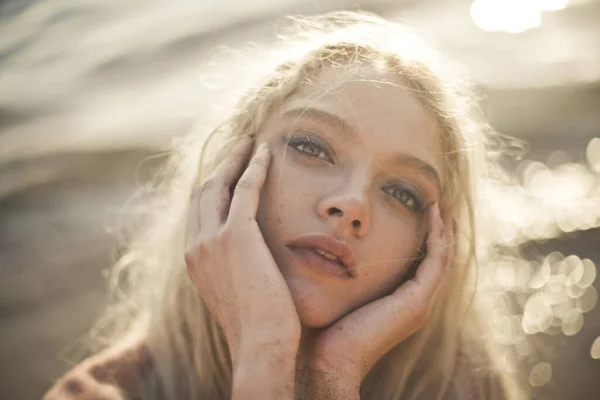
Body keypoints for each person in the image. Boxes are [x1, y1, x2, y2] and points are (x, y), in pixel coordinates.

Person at [42, 11, 526, 400]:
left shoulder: (464, 387)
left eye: (403, 193)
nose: (352, 205)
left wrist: (331, 378)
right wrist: (265, 350)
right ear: (227, 173)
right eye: (312, 148)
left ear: (430, 249)